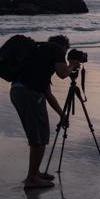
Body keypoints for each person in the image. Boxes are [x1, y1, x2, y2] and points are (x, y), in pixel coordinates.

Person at [10, 35, 82, 189]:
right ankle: (31, 179)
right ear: (64, 47)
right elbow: (63, 73)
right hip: (29, 94)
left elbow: (48, 93)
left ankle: (36, 173)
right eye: (66, 51)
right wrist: (71, 65)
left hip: (18, 91)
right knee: (40, 136)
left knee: (36, 133)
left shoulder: (40, 55)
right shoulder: (55, 48)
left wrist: (62, 114)